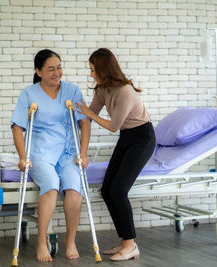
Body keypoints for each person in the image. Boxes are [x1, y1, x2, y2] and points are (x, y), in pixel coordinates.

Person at [76, 48, 155, 261]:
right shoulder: (103, 89)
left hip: (142, 138)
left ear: (104, 69)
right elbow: (89, 114)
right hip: (126, 138)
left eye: (93, 70)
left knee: (119, 190)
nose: (91, 74)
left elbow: (113, 125)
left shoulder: (125, 92)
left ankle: (131, 245)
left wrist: (90, 114)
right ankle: (124, 240)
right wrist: (72, 119)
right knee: (107, 190)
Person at [11, 49, 91, 262]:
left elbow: (84, 122)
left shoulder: (72, 91)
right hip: (41, 153)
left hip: (67, 153)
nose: (57, 72)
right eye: (51, 69)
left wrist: (83, 154)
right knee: (51, 184)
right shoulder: (29, 93)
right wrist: (22, 157)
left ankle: (71, 240)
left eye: (59, 67)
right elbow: (17, 127)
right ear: (38, 71)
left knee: (74, 188)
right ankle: (41, 240)